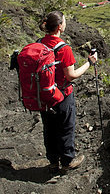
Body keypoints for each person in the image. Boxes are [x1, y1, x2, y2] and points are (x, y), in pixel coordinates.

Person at [38, 10, 97, 174]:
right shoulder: (64, 49)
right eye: (64, 21)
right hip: (62, 95)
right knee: (65, 128)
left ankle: (52, 161)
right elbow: (71, 75)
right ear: (59, 27)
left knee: (49, 128)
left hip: (43, 94)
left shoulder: (39, 43)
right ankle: (67, 161)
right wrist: (89, 63)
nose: (65, 24)